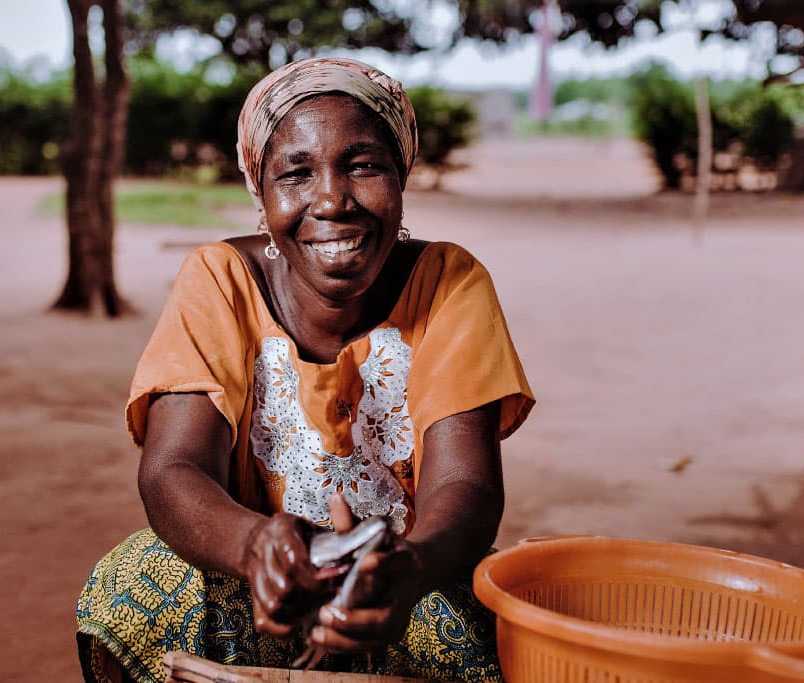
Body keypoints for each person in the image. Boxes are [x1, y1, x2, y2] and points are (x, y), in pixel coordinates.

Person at [76, 57, 534, 683]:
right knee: (130, 585)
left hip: (404, 583)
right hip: (256, 580)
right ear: (261, 197)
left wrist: (412, 567)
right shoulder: (220, 280)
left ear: (401, 178)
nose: (332, 200)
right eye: (296, 172)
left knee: (488, 633)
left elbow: (469, 487)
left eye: (364, 165)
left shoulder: (449, 282)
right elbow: (172, 468)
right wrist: (253, 545)